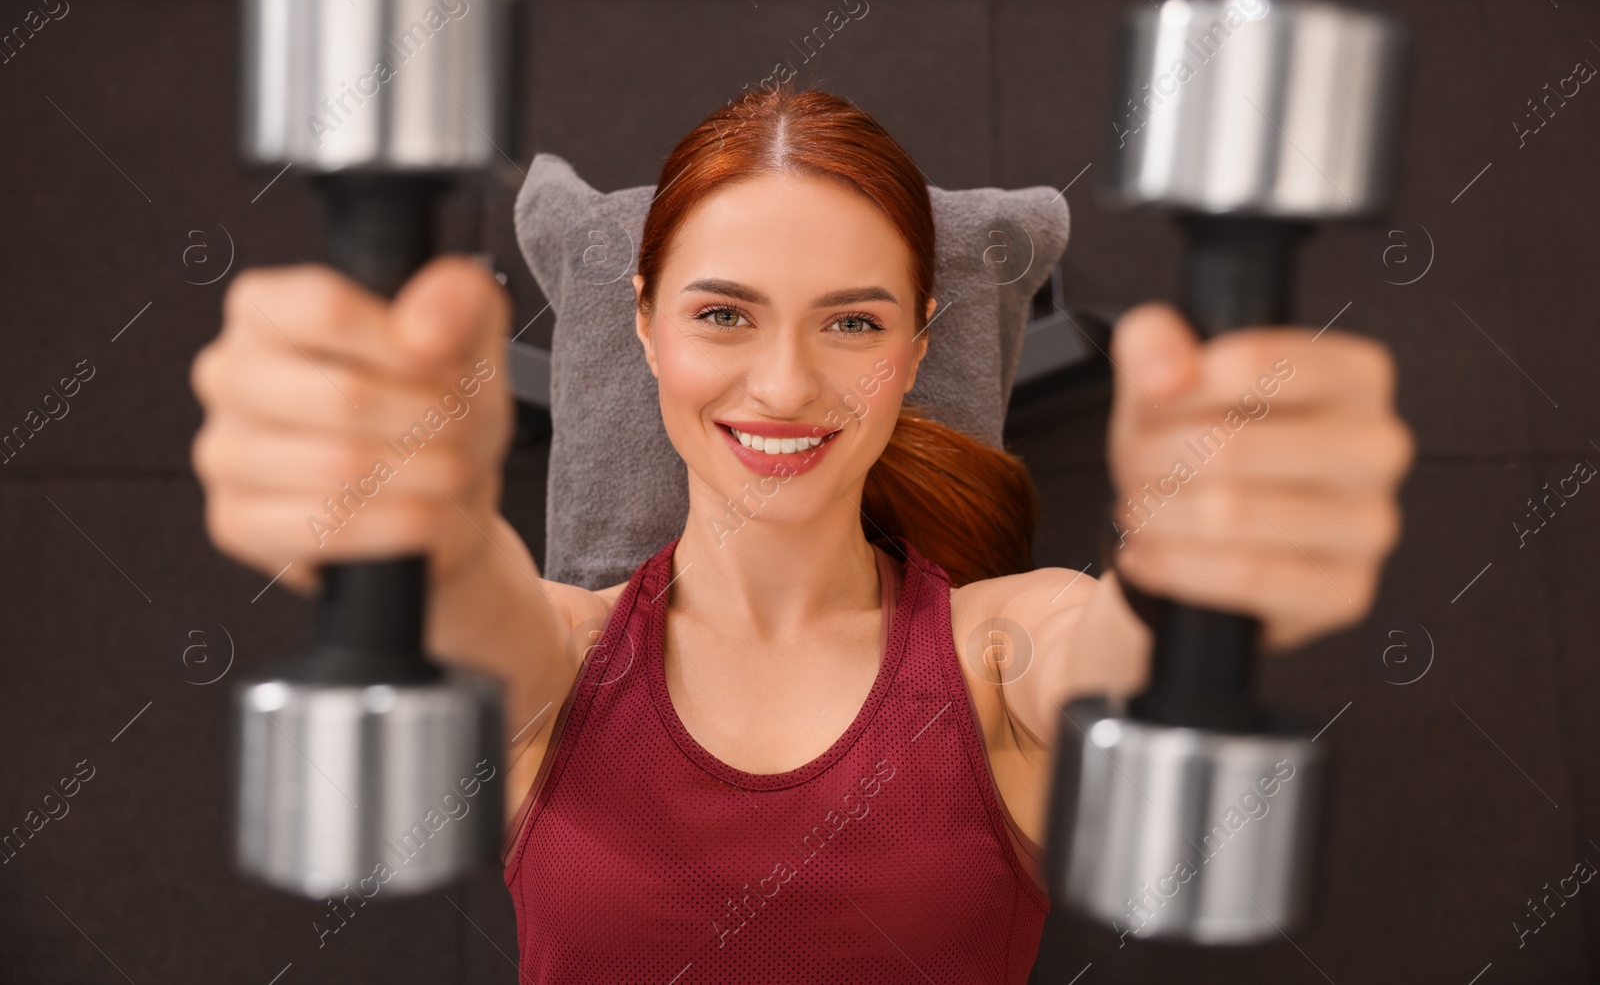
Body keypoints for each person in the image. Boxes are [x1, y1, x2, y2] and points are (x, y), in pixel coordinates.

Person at [189, 83, 1412, 981]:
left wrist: (1197, 567)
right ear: (643, 322)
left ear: (919, 342)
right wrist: (402, 525)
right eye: (723, 313)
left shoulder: (999, 653)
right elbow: (459, 599)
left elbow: (1122, 653)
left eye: (853, 324)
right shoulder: (556, 657)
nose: (782, 386)